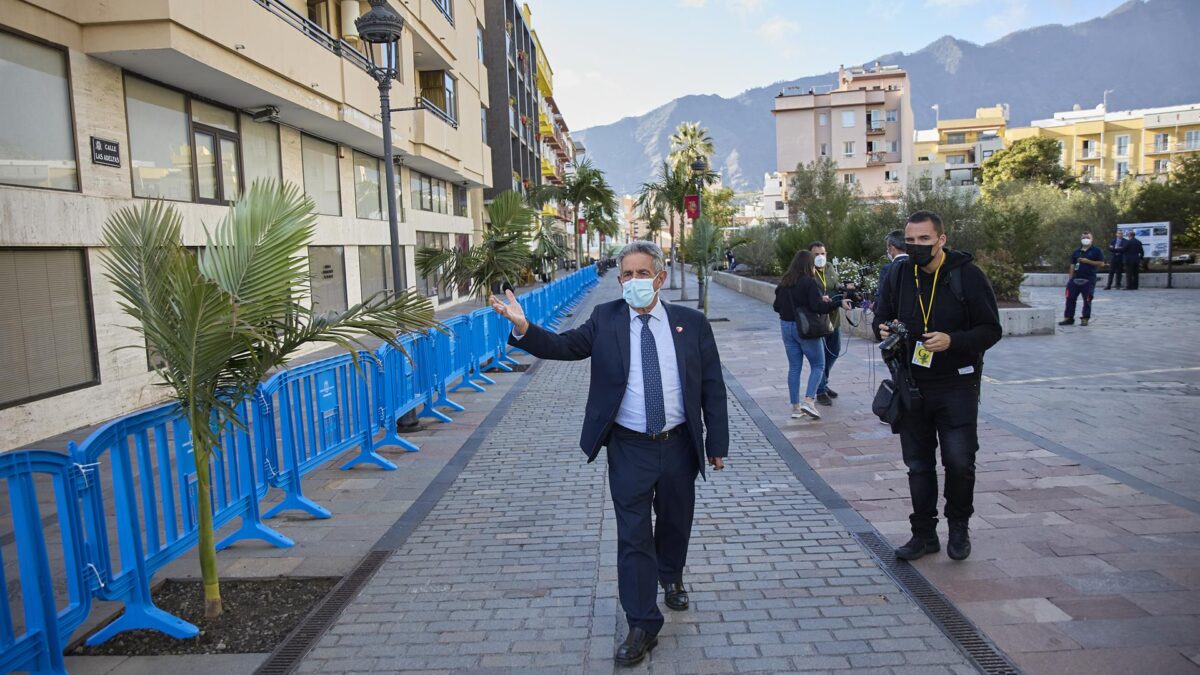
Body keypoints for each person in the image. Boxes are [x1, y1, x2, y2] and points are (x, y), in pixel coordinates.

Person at [490, 240, 728, 667]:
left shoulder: (690, 323)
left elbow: (712, 385)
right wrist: (525, 328)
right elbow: (564, 347)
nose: (633, 282)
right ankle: (641, 623)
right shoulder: (605, 319)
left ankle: (671, 576)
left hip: (678, 446)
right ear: (619, 282)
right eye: (626, 275)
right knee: (633, 536)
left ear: (660, 277)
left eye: (641, 273)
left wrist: (717, 444)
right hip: (629, 446)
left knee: (675, 523)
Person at [874, 210, 1002, 562]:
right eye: (910, 240)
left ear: (941, 240)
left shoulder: (967, 276)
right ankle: (924, 534)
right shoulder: (899, 273)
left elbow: (991, 330)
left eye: (924, 240)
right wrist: (883, 330)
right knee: (918, 465)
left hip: (957, 385)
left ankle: (958, 527)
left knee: (959, 461)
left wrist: (953, 341)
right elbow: (880, 318)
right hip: (912, 384)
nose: (916, 247)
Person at [773, 250, 852, 420]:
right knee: (818, 365)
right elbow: (818, 308)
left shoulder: (784, 282)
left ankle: (796, 408)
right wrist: (837, 303)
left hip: (786, 327)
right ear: (809, 265)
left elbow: (776, 306)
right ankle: (809, 401)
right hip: (805, 329)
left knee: (794, 367)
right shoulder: (809, 282)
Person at [807, 241, 841, 406]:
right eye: (816, 254)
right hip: (817, 321)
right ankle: (820, 390)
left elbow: (835, 286)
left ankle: (824, 382)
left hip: (833, 319)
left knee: (834, 351)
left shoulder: (830, 268)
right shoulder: (807, 272)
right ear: (810, 256)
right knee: (820, 357)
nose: (820, 257)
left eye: (823, 253)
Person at [1060, 231, 1104, 326]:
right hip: (1075, 279)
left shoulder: (1096, 251)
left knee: (1087, 300)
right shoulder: (1076, 251)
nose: (1085, 239)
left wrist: (1088, 261)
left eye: (1087, 237)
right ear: (1081, 239)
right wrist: (1070, 278)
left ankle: (1085, 318)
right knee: (1070, 299)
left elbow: (1101, 263)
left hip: (1088, 279)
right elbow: (1072, 265)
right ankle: (1068, 318)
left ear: (1091, 239)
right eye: (1084, 237)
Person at [875, 229, 909, 310]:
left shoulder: (887, 269)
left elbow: (883, 297)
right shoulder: (917, 265)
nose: (887, 251)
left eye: (887, 247)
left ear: (892, 248)